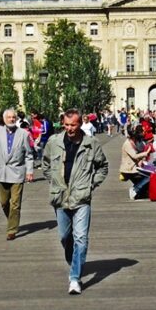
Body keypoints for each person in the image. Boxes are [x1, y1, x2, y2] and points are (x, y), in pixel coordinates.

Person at [43, 108, 109, 295]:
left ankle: (75, 278)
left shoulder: (91, 144)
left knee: (81, 238)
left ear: (80, 124)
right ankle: (73, 259)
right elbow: (46, 164)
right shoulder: (54, 142)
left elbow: (103, 167)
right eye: (67, 125)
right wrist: (53, 181)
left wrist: (91, 185)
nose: (70, 128)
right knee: (65, 237)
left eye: (73, 125)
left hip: (81, 197)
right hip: (60, 196)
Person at [0, 108, 34, 240]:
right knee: (4, 202)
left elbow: (28, 154)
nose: (11, 119)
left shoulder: (23, 134)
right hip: (2, 172)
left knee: (15, 203)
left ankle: (12, 230)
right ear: (4, 119)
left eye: (13, 117)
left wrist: (30, 171)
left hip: (17, 172)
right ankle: (12, 219)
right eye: (9, 117)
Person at [120, 124, 153, 200]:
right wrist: (146, 152)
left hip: (134, 166)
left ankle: (140, 191)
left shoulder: (132, 142)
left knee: (148, 175)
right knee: (149, 176)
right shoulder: (127, 144)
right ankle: (135, 189)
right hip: (129, 168)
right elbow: (134, 156)